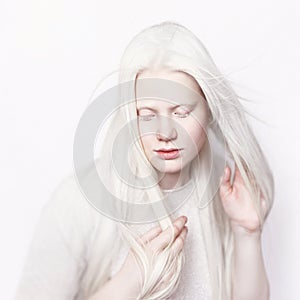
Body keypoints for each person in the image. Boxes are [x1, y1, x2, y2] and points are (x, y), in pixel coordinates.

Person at [14, 21, 274, 300]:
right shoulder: (77, 201)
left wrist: (247, 233)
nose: (165, 133)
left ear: (208, 108)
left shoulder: (225, 195)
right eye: (147, 114)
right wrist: (131, 281)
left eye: (182, 112)